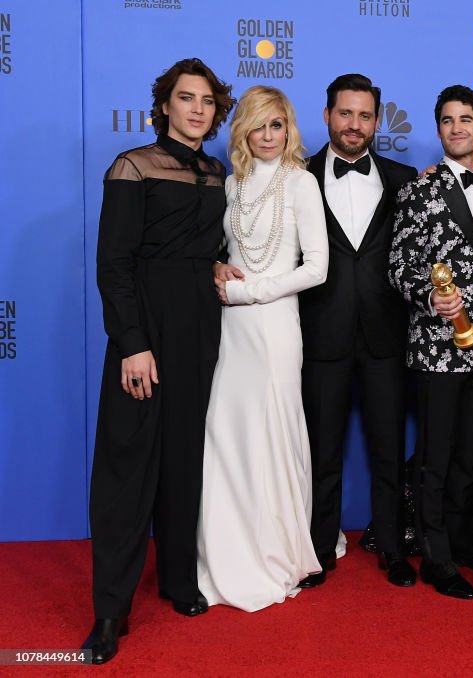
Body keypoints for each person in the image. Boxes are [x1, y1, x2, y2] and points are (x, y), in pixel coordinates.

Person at [84, 58, 234, 664]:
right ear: (165, 105)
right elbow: (113, 265)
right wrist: (131, 343)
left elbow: (208, 248)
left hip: (199, 327)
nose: (197, 109)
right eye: (185, 98)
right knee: (127, 470)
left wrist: (219, 264)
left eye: (206, 101)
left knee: (183, 459)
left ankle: (177, 580)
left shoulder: (217, 171)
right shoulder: (133, 166)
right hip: (145, 330)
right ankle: (110, 612)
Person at [196, 85, 327, 611]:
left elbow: (316, 268)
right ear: (243, 131)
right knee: (228, 436)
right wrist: (214, 268)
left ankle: (275, 552)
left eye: (278, 125)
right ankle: (227, 551)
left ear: (289, 128)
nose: (269, 136)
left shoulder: (301, 182)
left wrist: (248, 292)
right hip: (231, 331)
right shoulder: (229, 184)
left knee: (273, 434)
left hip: (273, 326)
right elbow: (215, 250)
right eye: (259, 125)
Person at [388, 85, 473, 600]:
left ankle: (460, 544)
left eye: (466, 119)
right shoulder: (419, 192)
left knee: (468, 456)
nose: (457, 128)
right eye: (447, 120)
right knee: (436, 458)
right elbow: (398, 265)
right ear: (438, 129)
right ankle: (436, 558)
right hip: (437, 347)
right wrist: (426, 296)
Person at [298, 74, 418, 589]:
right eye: (345, 114)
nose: (355, 124)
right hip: (318, 336)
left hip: (385, 338)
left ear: (376, 121)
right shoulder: (296, 177)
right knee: (321, 453)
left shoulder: (405, 178)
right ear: (327, 116)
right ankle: (319, 550)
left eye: (365, 115)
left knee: (387, 450)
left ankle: (392, 547)